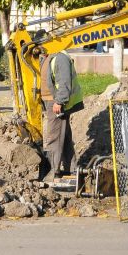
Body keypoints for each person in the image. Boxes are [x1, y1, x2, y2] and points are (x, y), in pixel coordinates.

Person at [39, 50, 84, 182]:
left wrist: (60, 101)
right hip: (51, 101)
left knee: (55, 135)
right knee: (63, 137)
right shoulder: (48, 58)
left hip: (57, 102)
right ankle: (72, 169)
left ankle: (53, 171)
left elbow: (64, 81)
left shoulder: (60, 58)